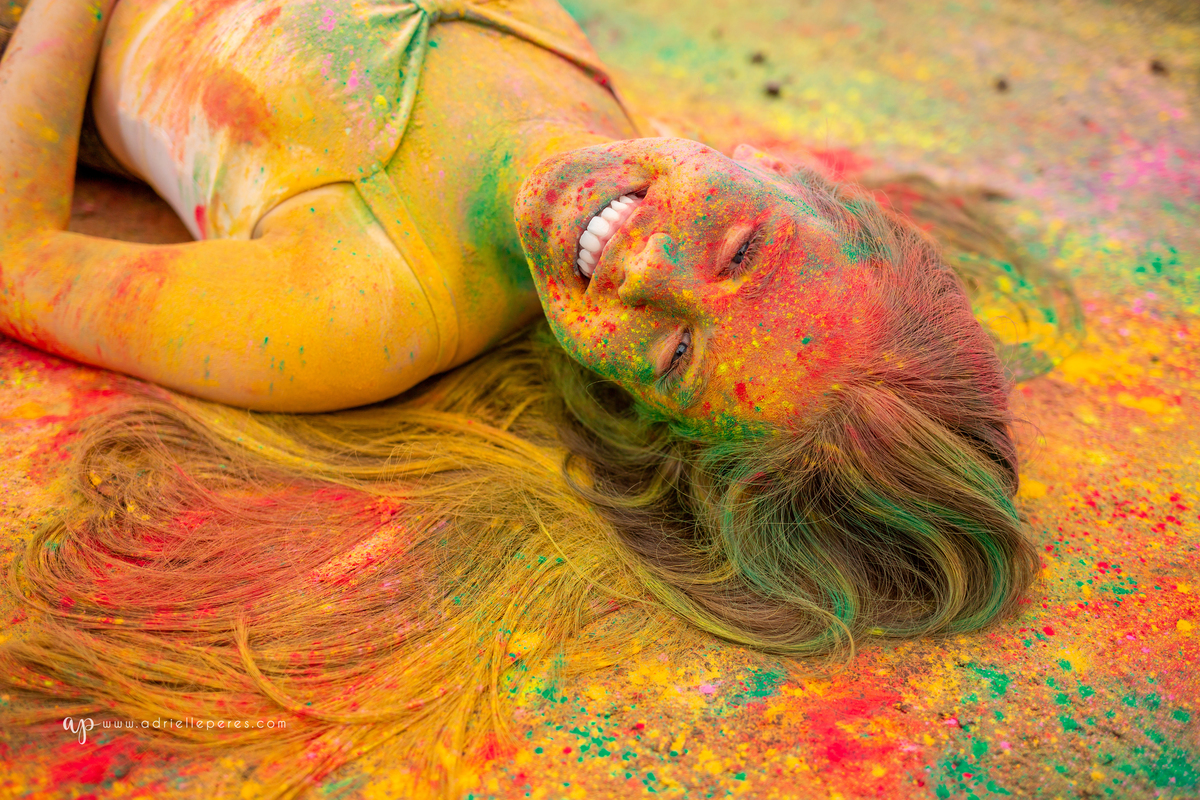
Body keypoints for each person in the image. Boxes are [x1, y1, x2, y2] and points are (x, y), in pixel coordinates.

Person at [0, 0, 1072, 791]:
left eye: (672, 355)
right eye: (743, 250)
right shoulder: (586, 88)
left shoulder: (359, 306)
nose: (647, 272)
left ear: (631, 404)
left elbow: (17, 258)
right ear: (786, 174)